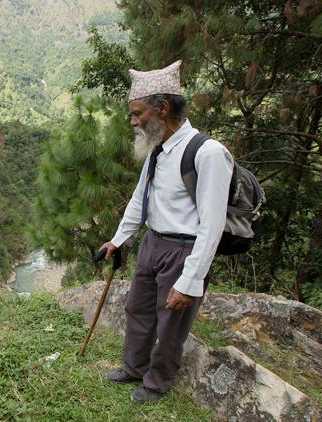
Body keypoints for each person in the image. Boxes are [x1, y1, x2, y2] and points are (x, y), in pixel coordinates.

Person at [99, 60, 234, 402]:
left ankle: (157, 383)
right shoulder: (157, 149)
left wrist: (190, 281)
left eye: (138, 113)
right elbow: (139, 200)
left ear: (162, 108)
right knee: (138, 309)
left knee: (170, 324)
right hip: (152, 243)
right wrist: (118, 240)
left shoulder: (208, 154)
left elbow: (213, 224)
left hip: (183, 251)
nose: (133, 121)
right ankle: (133, 368)